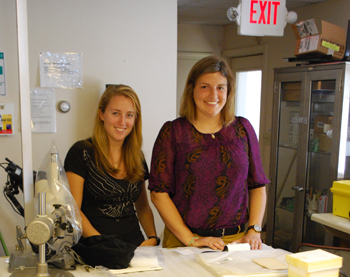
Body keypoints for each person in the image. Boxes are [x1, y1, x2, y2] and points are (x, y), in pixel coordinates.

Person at [149, 55, 269, 250]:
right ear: (192, 90)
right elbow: (158, 194)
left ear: (228, 91)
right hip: (185, 242)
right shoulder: (173, 132)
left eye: (220, 87)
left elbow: (257, 185)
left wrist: (254, 229)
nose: (213, 95)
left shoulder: (243, 129)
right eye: (205, 86)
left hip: (236, 241)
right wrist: (191, 240)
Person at [64, 84, 159, 250]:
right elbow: (73, 209)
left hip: (135, 247)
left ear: (135, 119)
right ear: (102, 114)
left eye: (129, 115)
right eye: (116, 113)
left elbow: (142, 206)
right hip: (95, 247)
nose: (122, 122)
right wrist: (100, 242)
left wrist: (152, 238)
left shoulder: (137, 156)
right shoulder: (81, 152)